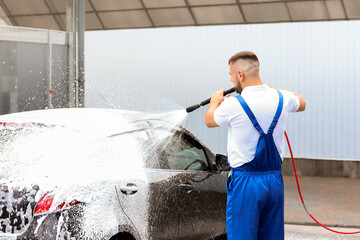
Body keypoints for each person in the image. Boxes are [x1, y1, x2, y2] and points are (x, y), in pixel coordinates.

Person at [204, 51, 306, 240]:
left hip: (245, 184)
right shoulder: (282, 98)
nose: (232, 81)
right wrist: (270, 89)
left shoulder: (233, 104)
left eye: (232, 76)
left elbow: (209, 120)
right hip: (274, 183)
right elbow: (301, 102)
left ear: (240, 75)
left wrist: (214, 102)